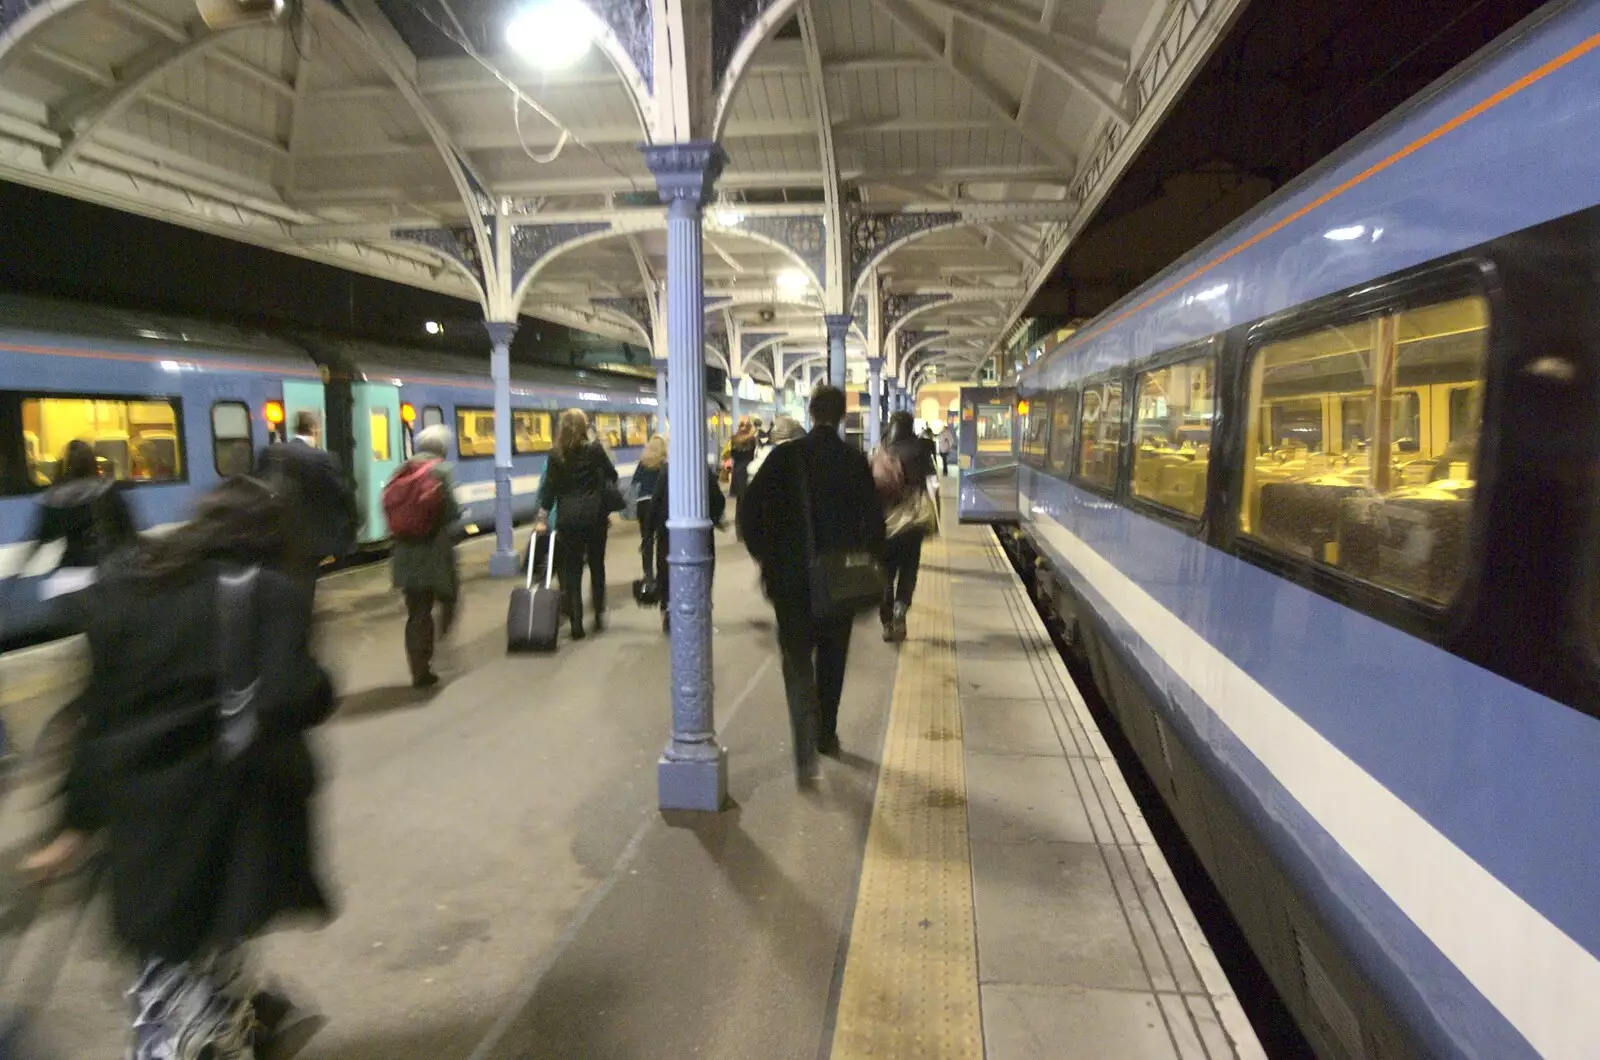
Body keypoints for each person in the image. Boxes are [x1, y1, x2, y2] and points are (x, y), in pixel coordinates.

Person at [24, 476, 335, 1060]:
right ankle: (226, 1030)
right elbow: (293, 697)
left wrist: (72, 826)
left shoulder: (126, 588)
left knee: (169, 975)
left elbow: (98, 717)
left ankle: (231, 1025)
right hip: (225, 821)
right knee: (197, 978)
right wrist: (318, 677)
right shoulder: (271, 593)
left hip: (142, 826)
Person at [740, 386, 885, 781]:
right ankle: (826, 733)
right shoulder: (854, 461)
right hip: (839, 581)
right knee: (833, 659)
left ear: (811, 411)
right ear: (840, 417)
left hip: (790, 581)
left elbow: (748, 510)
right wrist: (869, 564)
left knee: (797, 658)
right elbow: (875, 524)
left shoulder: (785, 457)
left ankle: (804, 741)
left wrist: (765, 555)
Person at [16, 439, 138, 627]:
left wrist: (18, 571)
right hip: (107, 574)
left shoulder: (56, 497)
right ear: (93, 462)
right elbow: (129, 534)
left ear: (67, 464)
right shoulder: (109, 491)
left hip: (69, 574)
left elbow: (40, 538)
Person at [536, 409, 619, 640]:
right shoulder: (594, 450)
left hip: (568, 519)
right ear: (584, 427)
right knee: (596, 565)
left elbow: (549, 491)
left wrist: (542, 518)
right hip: (595, 518)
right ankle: (600, 614)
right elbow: (612, 474)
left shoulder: (555, 455)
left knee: (571, 571)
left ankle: (576, 624)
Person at [390, 425, 461, 688]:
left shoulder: (401, 469)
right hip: (434, 550)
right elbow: (452, 513)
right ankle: (437, 648)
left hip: (404, 552)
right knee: (449, 599)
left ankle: (418, 667)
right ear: (443, 448)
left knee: (416, 611)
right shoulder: (441, 470)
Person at [256, 410, 357, 586]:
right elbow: (340, 493)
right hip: (309, 539)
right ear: (315, 429)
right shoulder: (321, 458)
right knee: (304, 584)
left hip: (278, 533)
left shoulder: (270, 452)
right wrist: (349, 528)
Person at [650, 452, 726, 634]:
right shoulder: (703, 471)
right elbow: (717, 500)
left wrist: (648, 532)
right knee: (702, 574)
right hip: (700, 533)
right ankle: (700, 615)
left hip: (667, 532)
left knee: (667, 573)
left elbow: (656, 500)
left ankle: (669, 613)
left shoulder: (667, 471)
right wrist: (714, 518)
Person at [879, 412, 938, 642]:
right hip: (913, 523)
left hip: (886, 525)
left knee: (885, 573)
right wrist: (936, 516)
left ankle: (886, 622)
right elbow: (933, 484)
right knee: (909, 570)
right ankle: (900, 611)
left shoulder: (882, 451)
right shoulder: (920, 450)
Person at [633, 436, 667, 590]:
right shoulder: (663, 464)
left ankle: (648, 574)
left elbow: (635, 482)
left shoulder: (643, 463)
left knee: (646, 539)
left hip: (642, 504)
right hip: (658, 504)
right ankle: (661, 574)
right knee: (661, 538)